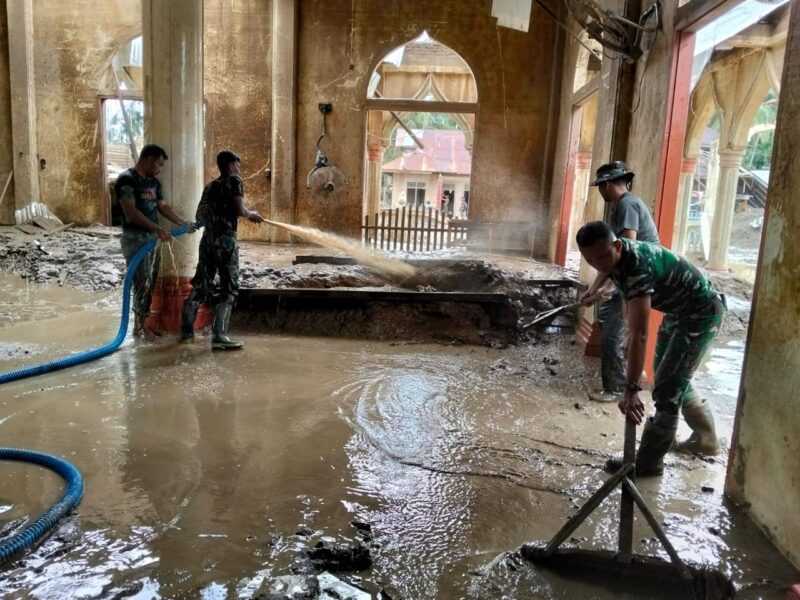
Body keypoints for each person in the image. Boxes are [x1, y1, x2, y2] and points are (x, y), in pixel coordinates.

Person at [576, 221, 725, 476]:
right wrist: (592, 290)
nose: (598, 264)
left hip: (701, 313)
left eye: (602, 256)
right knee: (670, 378)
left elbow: (641, 333)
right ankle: (707, 439)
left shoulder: (637, 268)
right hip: (678, 310)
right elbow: (613, 276)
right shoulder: (613, 257)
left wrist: (631, 389)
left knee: (667, 388)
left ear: (617, 245)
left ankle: (649, 462)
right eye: (590, 260)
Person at [587, 161, 661, 401]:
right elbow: (610, 259)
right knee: (608, 322)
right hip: (632, 273)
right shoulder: (626, 204)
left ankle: (616, 388)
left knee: (613, 332)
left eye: (600, 186)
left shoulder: (626, 205)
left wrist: (607, 288)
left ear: (607, 184)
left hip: (638, 275)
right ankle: (618, 383)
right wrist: (592, 289)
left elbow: (625, 253)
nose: (600, 191)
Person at [180, 150, 265, 349]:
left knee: (200, 285)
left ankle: (185, 334)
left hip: (207, 241)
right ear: (229, 166)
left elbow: (200, 215)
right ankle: (220, 336)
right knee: (229, 288)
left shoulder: (209, 187)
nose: (239, 170)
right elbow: (238, 210)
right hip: (226, 243)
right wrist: (251, 214)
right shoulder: (234, 181)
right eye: (237, 165)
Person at [116, 144, 194, 341]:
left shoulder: (154, 183)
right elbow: (131, 212)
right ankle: (141, 327)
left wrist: (182, 223)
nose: (160, 169)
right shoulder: (127, 180)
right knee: (141, 281)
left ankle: (140, 325)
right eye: (159, 164)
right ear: (149, 160)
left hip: (152, 240)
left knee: (149, 282)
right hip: (135, 240)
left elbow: (162, 206)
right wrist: (157, 229)